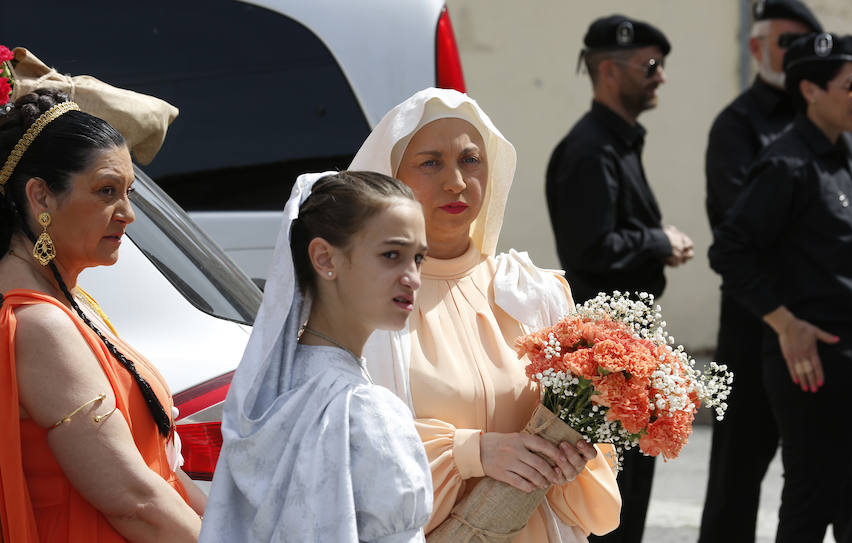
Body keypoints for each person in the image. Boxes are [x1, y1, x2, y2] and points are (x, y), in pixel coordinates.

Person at [351, 88, 621, 542]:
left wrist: (573, 457)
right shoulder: (362, 305)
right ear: (390, 178)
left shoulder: (531, 293)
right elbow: (349, 444)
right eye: (431, 162)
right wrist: (473, 452)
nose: (456, 181)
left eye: (471, 160)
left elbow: (588, 464)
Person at [709, 33, 852, 542]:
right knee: (814, 497)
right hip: (819, 354)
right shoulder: (785, 163)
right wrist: (783, 322)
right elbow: (730, 251)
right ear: (811, 90)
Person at [0, 89, 204, 541]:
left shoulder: (66, 302)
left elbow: (159, 477)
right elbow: (134, 500)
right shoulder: (39, 323)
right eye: (106, 191)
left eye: (128, 192)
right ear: (41, 197)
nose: (128, 214)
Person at [199, 170, 433, 543]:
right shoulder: (366, 410)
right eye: (392, 255)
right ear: (325, 258)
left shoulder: (267, 393)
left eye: (418, 258)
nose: (412, 277)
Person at [544, 15, 690, 543]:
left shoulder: (617, 143)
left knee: (628, 499)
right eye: (651, 66)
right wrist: (659, 242)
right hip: (605, 362)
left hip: (627, 350)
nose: (661, 78)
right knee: (611, 507)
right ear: (609, 71)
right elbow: (593, 248)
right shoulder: (591, 150)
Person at [699, 2, 823, 541]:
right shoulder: (737, 125)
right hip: (755, 325)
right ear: (757, 48)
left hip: (817, 328)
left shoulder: (820, 119)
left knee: (821, 477)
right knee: (736, 477)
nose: (794, 57)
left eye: (805, 45)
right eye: (784, 44)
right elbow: (742, 229)